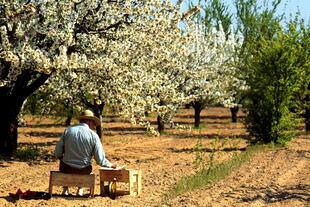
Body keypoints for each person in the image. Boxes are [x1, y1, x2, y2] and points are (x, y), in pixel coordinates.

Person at [55, 109, 116, 196]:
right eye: (94, 123)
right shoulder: (94, 135)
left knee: (63, 161)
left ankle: (65, 188)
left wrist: (61, 157)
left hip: (66, 168)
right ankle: (80, 189)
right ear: (90, 122)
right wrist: (110, 165)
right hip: (83, 170)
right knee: (87, 164)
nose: (94, 125)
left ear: (80, 120)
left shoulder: (68, 131)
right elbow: (100, 160)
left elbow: (57, 152)